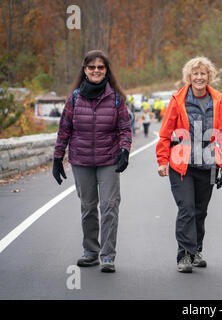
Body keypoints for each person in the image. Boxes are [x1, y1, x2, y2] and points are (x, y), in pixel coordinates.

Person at [52, 50, 132, 273]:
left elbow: (125, 128)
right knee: (88, 208)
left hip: (109, 160)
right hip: (82, 160)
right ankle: (90, 251)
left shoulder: (116, 98)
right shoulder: (75, 98)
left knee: (109, 207)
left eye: (100, 67)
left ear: (106, 71)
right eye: (91, 67)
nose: (96, 70)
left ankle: (108, 256)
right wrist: (58, 156)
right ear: (85, 70)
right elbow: (64, 129)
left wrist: (125, 150)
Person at [156, 56, 222, 273]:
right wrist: (162, 160)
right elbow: (165, 133)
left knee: (200, 211)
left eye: (203, 74)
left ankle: (196, 249)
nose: (199, 77)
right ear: (189, 77)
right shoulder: (177, 99)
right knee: (186, 208)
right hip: (181, 163)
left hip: (208, 163)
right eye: (195, 74)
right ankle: (184, 255)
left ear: (209, 76)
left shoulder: (218, 100)